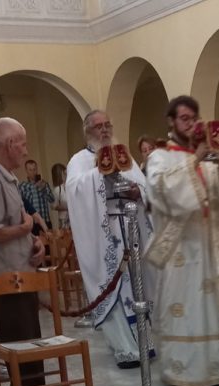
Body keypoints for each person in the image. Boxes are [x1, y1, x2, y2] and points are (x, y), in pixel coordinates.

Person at [145, 95, 219, 386]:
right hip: (181, 250)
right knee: (187, 308)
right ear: (171, 121)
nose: (191, 124)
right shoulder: (160, 156)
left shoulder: (206, 156)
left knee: (214, 308)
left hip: (209, 246)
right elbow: (162, 191)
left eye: (194, 118)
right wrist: (195, 159)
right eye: (185, 118)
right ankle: (185, 371)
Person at [0, 117, 61, 386]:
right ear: (10, 144)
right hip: (6, 278)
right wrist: (25, 230)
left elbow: (17, 224)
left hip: (22, 273)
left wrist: (34, 243)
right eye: (23, 143)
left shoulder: (7, 178)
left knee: (30, 335)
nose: (26, 150)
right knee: (19, 338)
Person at [66, 110, 154, 369]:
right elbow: (75, 191)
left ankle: (144, 342)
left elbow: (143, 185)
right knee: (114, 287)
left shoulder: (124, 155)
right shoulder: (79, 160)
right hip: (105, 236)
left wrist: (137, 191)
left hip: (131, 230)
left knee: (136, 286)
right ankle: (124, 347)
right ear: (87, 131)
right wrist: (100, 174)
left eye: (107, 125)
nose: (104, 130)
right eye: (98, 126)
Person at [19, 159, 55, 230]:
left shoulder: (44, 184)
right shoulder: (22, 186)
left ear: (37, 169)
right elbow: (20, 204)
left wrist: (43, 189)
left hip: (45, 220)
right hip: (31, 222)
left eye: (34, 169)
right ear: (26, 171)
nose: (33, 172)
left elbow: (52, 199)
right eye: (30, 170)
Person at [51, 163, 69, 229]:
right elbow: (53, 206)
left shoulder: (70, 185)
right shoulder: (57, 189)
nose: (66, 174)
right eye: (64, 173)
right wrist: (66, 208)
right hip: (64, 220)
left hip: (74, 217)